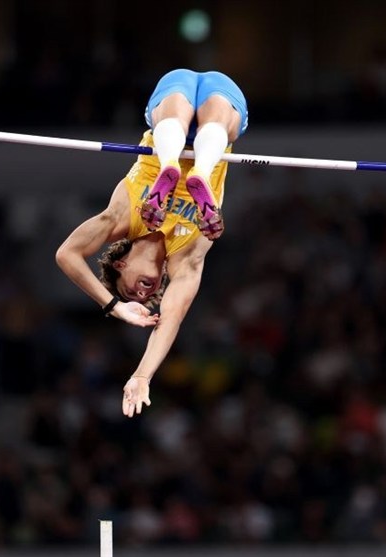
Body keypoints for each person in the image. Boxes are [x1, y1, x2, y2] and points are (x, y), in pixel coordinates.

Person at [55, 69, 248, 418]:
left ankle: (170, 166)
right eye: (145, 296)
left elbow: (66, 254)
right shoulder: (185, 259)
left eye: (130, 291)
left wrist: (114, 306)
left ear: (121, 263)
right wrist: (142, 375)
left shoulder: (122, 219)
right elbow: (171, 318)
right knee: (222, 125)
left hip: (170, 118)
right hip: (216, 126)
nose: (142, 294)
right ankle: (200, 173)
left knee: (171, 119)